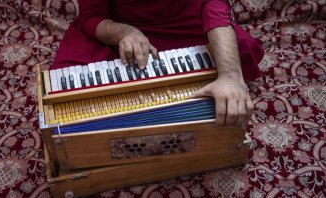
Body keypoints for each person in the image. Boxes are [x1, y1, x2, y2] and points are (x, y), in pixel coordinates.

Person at [51, 0, 264, 127]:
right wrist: (125, 32)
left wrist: (230, 76)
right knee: (63, 81)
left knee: (243, 49)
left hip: (182, 22)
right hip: (120, 29)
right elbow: (92, 17)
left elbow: (213, 4)